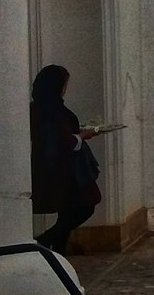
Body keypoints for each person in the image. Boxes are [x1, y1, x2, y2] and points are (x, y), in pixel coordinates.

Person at [30, 64, 101, 252]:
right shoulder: (51, 111)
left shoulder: (41, 107)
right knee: (84, 207)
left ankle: (58, 250)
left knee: (68, 209)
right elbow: (60, 141)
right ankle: (46, 240)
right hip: (64, 169)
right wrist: (82, 136)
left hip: (61, 167)